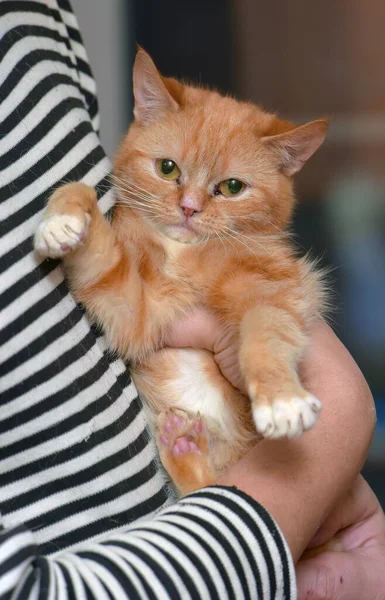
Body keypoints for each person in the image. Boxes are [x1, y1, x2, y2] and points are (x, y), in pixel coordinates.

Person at [0, 1, 379, 598]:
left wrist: (270, 374)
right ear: (144, 114)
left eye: (229, 187)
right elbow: (125, 317)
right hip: (214, 539)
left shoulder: (246, 247)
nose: (191, 204)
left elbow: (267, 312)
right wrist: (77, 205)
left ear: (288, 165)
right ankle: (199, 484)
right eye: (169, 169)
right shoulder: (137, 226)